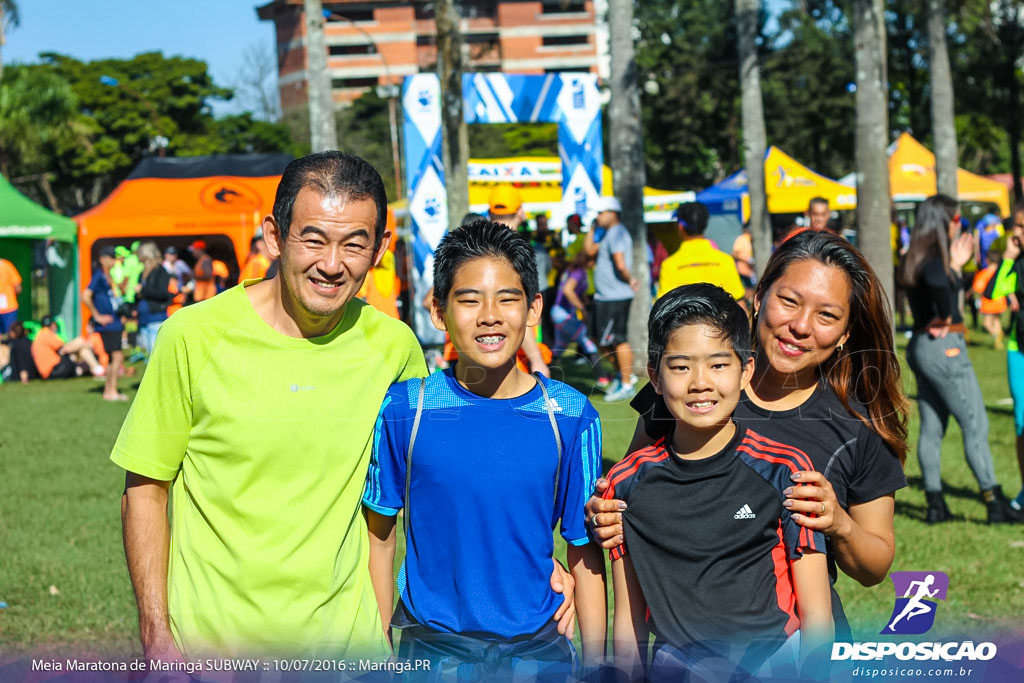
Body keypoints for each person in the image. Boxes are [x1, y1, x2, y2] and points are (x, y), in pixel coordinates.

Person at [111, 152, 575, 662]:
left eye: (354, 244)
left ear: (380, 248)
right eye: (313, 238)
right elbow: (146, 488)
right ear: (273, 235)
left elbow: (448, 471)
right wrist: (155, 634)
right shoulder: (192, 337)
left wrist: (541, 563)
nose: (332, 264)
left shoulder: (394, 348)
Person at [590, 229, 910, 641]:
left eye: (826, 316)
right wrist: (606, 513)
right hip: (686, 651)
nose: (800, 326)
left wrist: (839, 523)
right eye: (788, 301)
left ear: (846, 333)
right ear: (759, 298)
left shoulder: (857, 425)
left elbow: (876, 566)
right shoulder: (685, 387)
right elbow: (632, 491)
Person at [363, 221, 605, 678]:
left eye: (507, 298)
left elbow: (584, 551)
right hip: (434, 653)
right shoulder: (405, 409)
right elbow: (379, 537)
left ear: (533, 308)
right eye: (469, 299)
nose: (489, 315)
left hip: (539, 653)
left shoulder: (570, 415)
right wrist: (380, 651)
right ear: (438, 310)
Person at [608, 284, 832, 680]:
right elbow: (628, 623)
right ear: (655, 378)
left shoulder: (787, 471)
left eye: (718, 364)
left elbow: (817, 615)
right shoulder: (626, 486)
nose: (700, 382)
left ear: (745, 371)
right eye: (680, 366)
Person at [898, 194, 1023, 524]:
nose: (960, 227)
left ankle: (935, 504)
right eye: (957, 221)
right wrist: (947, 296)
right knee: (976, 423)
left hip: (921, 345)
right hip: (944, 346)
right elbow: (940, 282)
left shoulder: (913, 255)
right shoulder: (936, 260)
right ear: (944, 222)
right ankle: (994, 501)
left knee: (933, 426)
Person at [584, 196, 640, 401]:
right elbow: (589, 251)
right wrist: (592, 228)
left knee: (618, 339)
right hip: (605, 297)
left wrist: (629, 278)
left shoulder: (617, 233)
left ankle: (626, 384)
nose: (597, 217)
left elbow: (620, 263)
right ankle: (625, 374)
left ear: (612, 213)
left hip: (615, 297)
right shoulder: (607, 233)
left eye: (600, 213)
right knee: (599, 339)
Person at [990, 207, 1024, 510]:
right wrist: (1009, 259)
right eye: (1017, 227)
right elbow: (993, 293)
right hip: (1018, 349)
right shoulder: (1017, 263)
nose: (1018, 234)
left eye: (1023, 228)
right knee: (1021, 423)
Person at [658, 202, 746, 304]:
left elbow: (664, 306)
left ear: (680, 227)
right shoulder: (725, 261)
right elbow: (740, 302)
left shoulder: (670, 265)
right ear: (705, 225)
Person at [83, 246, 127, 401]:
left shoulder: (109, 276)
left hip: (114, 321)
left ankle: (109, 390)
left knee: (111, 358)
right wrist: (97, 316)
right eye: (111, 257)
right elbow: (86, 295)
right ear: (103, 259)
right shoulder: (99, 276)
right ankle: (112, 390)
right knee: (117, 356)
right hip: (108, 324)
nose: (114, 261)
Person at [551, 251, 599, 366]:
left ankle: (545, 371)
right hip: (562, 313)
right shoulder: (579, 272)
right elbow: (568, 290)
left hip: (562, 312)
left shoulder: (574, 270)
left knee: (560, 346)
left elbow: (579, 292)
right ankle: (603, 375)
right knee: (586, 340)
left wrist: (586, 303)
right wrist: (582, 308)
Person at [31, 315, 105, 380]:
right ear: (52, 324)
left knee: (82, 349)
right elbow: (64, 349)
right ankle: (97, 369)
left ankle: (96, 369)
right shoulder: (46, 334)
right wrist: (82, 343)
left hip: (52, 370)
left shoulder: (40, 335)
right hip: (54, 370)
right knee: (81, 344)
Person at [134, 242, 175, 356]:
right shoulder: (142, 273)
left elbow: (163, 293)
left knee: (156, 353)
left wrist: (143, 290)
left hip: (156, 316)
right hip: (144, 317)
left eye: (140, 254)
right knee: (149, 352)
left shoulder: (160, 271)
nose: (138, 257)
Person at [0, 256, 23, 338]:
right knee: (11, 335)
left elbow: (18, 288)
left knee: (11, 334)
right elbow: (18, 288)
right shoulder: (7, 266)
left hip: (9, 309)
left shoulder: (7, 266)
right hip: (9, 307)